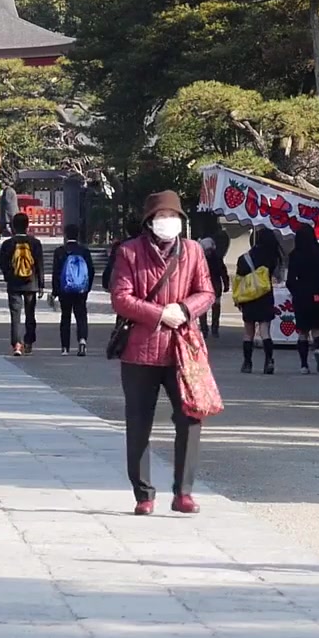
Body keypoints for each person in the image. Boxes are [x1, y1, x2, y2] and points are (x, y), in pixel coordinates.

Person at [111, 190, 219, 515]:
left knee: (190, 418)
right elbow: (121, 297)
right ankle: (143, 494)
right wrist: (159, 313)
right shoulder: (130, 252)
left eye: (172, 216)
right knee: (139, 422)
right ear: (149, 222)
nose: (166, 222)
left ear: (181, 221)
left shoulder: (194, 252)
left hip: (182, 351)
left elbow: (207, 291)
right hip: (140, 352)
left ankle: (183, 491)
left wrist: (185, 309)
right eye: (160, 217)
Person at [283, 222, 319, 375]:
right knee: (318, 329)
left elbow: (290, 280)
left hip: (302, 296)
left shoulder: (295, 255)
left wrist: (296, 291)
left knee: (303, 331)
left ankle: (303, 365)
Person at [231, 229, 282, 374]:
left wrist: (238, 300)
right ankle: (269, 361)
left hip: (248, 298)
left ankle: (247, 363)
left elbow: (239, 280)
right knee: (265, 330)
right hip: (265, 296)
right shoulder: (272, 257)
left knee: (248, 332)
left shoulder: (243, 258)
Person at [0, 212, 45, 356]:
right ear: (27, 225)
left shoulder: (8, 244)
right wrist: (41, 284)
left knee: (15, 315)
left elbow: (2, 262)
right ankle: (29, 342)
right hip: (31, 283)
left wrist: (8, 276)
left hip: (14, 284)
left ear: (13, 226)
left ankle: (17, 344)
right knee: (30, 313)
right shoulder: (35, 243)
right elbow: (39, 264)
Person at [53, 236, 94, 355]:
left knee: (65, 317)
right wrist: (87, 288)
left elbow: (56, 272)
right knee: (81, 316)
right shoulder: (84, 251)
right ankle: (82, 341)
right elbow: (91, 270)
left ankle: (65, 347)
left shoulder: (60, 251)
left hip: (65, 290)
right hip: (81, 290)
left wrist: (55, 291)